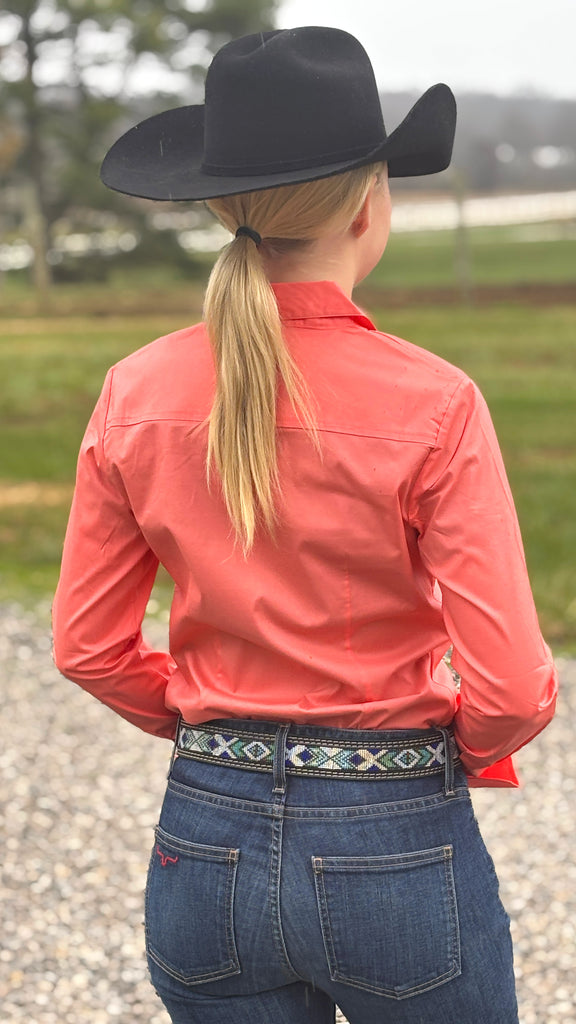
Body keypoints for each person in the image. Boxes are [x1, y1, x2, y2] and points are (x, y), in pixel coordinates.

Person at [52, 26, 558, 1024]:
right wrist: (436, 748)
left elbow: (86, 645)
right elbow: (512, 685)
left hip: (204, 843)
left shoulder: (135, 390)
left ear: (224, 204)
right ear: (371, 204)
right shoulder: (437, 402)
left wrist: (209, 719)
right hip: (397, 839)